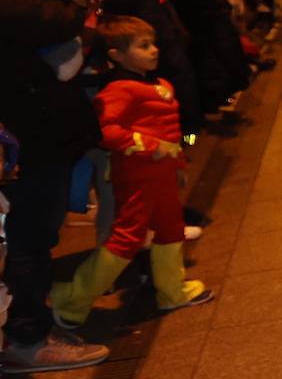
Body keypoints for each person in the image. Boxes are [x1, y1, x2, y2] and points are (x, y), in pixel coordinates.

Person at [0, 0, 109, 373]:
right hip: (27, 118)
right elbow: (37, 19)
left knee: (36, 228)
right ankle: (27, 340)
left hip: (36, 112)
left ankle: (33, 326)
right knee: (31, 230)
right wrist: (79, 17)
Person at [50, 17, 213, 328]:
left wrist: (176, 164)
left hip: (160, 173)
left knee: (170, 230)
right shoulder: (120, 89)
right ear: (116, 55)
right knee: (127, 237)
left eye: (153, 43)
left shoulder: (158, 85)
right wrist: (149, 146)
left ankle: (172, 291)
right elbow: (105, 130)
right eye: (144, 45)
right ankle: (73, 301)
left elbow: (171, 133)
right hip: (138, 174)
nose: (154, 51)